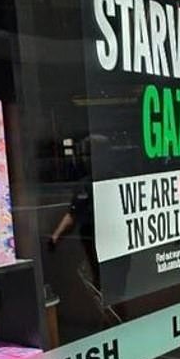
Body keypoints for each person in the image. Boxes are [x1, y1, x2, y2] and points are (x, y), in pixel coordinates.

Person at [50, 134, 124, 325]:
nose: (85, 159)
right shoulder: (84, 184)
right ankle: (109, 324)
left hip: (115, 242)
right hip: (92, 242)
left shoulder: (117, 179)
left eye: (90, 154)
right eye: (84, 154)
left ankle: (119, 323)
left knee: (117, 287)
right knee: (100, 285)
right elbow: (73, 214)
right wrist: (55, 237)